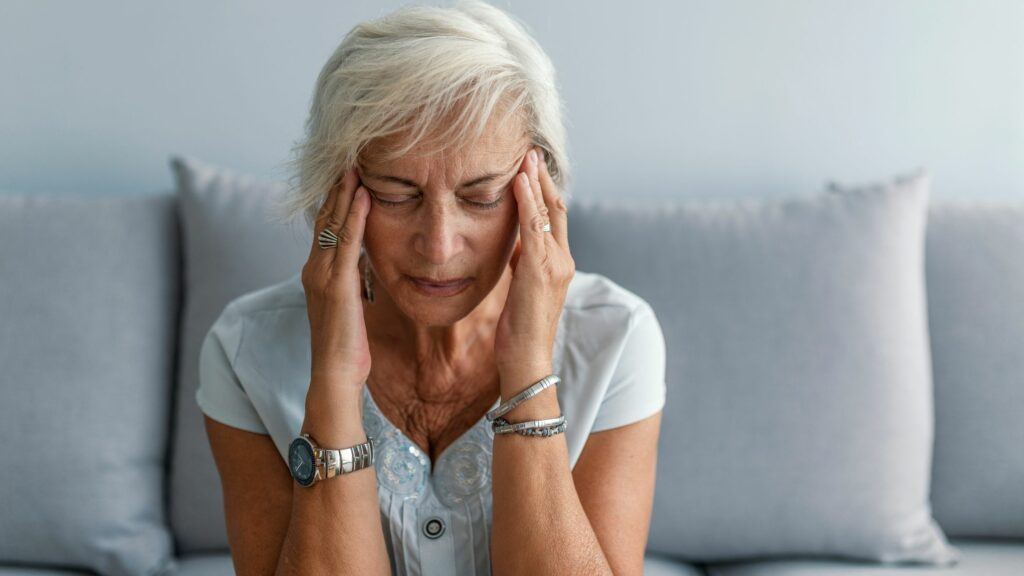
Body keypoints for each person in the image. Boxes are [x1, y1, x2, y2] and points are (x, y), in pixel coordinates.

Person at [196, 1, 666, 574]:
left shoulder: (616, 337)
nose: (439, 245)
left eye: (481, 196)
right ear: (335, 192)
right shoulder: (244, 352)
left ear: (537, 191)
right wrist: (334, 385)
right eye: (397, 195)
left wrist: (527, 371)